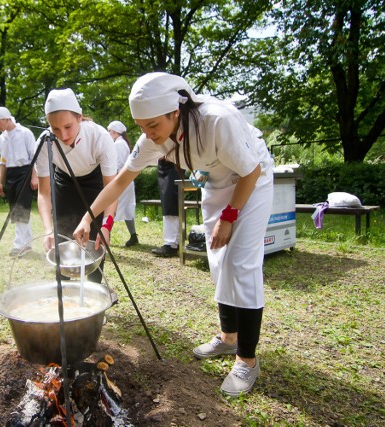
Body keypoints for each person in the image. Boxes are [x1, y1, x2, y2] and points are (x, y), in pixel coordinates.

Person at [74, 72, 274, 396]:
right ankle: (228, 338)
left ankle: (247, 361)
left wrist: (230, 215)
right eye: (141, 127)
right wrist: (88, 216)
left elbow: (251, 170)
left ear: (174, 112)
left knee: (241, 264)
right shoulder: (153, 138)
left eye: (153, 125)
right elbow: (120, 182)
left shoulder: (216, 120)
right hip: (219, 182)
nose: (148, 134)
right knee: (219, 259)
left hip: (253, 177)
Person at [36, 88, 117, 283]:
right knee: (62, 238)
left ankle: (94, 295)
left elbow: (112, 189)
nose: (63, 135)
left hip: (96, 183)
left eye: (68, 126)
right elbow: (44, 193)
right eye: (55, 129)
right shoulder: (44, 142)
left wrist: (107, 225)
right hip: (64, 182)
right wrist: (48, 229)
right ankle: (63, 297)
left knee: (96, 240)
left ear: (79, 117)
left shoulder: (100, 137)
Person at [0, 107, 38, 257]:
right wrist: (0, 182)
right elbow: (3, 161)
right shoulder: (2, 138)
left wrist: (34, 176)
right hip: (11, 174)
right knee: (15, 208)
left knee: (22, 207)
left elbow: (33, 157)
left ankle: (20, 245)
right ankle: (27, 242)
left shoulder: (25, 133)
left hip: (25, 171)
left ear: (7, 119)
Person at [107, 120, 139, 247]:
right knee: (127, 209)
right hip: (126, 181)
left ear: (115, 132)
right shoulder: (122, 143)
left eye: (109, 131)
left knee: (111, 207)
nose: (108, 133)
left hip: (121, 181)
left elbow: (117, 165)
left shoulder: (119, 144)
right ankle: (133, 236)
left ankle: (105, 234)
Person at [152, 158, 181, 257]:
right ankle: (170, 242)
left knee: (171, 201)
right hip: (162, 163)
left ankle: (172, 243)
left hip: (175, 163)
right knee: (166, 202)